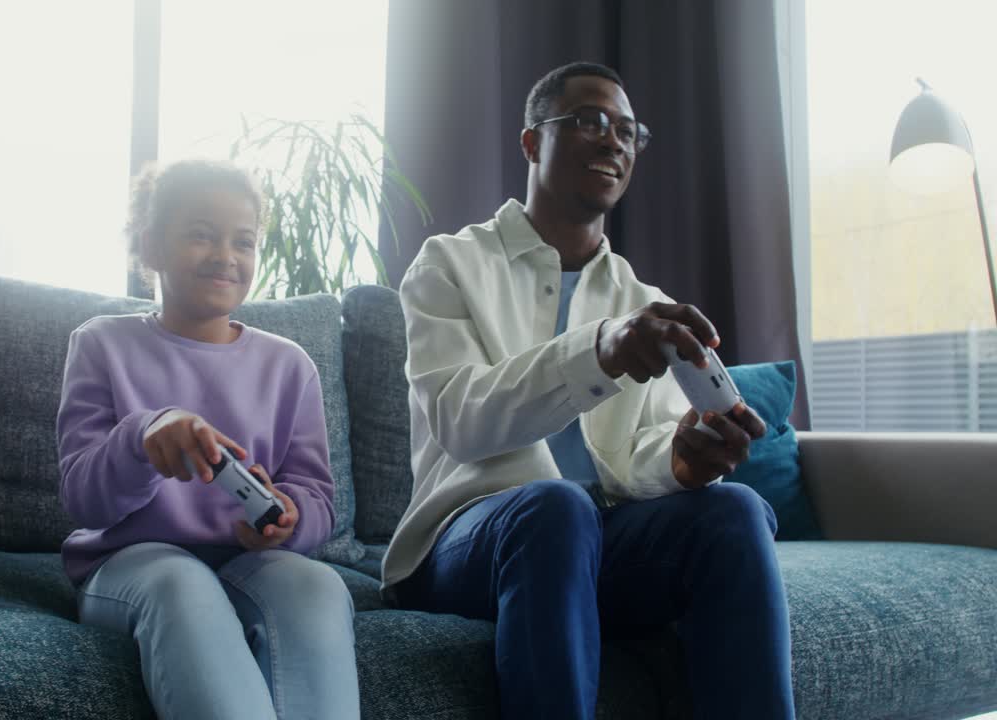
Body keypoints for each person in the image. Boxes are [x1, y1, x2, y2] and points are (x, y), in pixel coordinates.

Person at [384, 62, 795, 719]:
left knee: (734, 511)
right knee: (553, 508)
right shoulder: (449, 263)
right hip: (470, 542)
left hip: (602, 541)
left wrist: (683, 459)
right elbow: (460, 422)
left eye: (629, 132)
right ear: (530, 142)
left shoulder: (646, 302)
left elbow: (638, 461)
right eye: (590, 122)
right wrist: (596, 350)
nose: (614, 142)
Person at [57, 159, 360, 720]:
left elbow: (317, 499)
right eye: (201, 235)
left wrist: (289, 517)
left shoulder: (289, 366)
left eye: (243, 241)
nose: (225, 255)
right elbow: (83, 501)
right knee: (181, 582)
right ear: (150, 247)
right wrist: (142, 439)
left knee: (315, 586)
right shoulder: (102, 345)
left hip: (250, 562)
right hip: (131, 565)